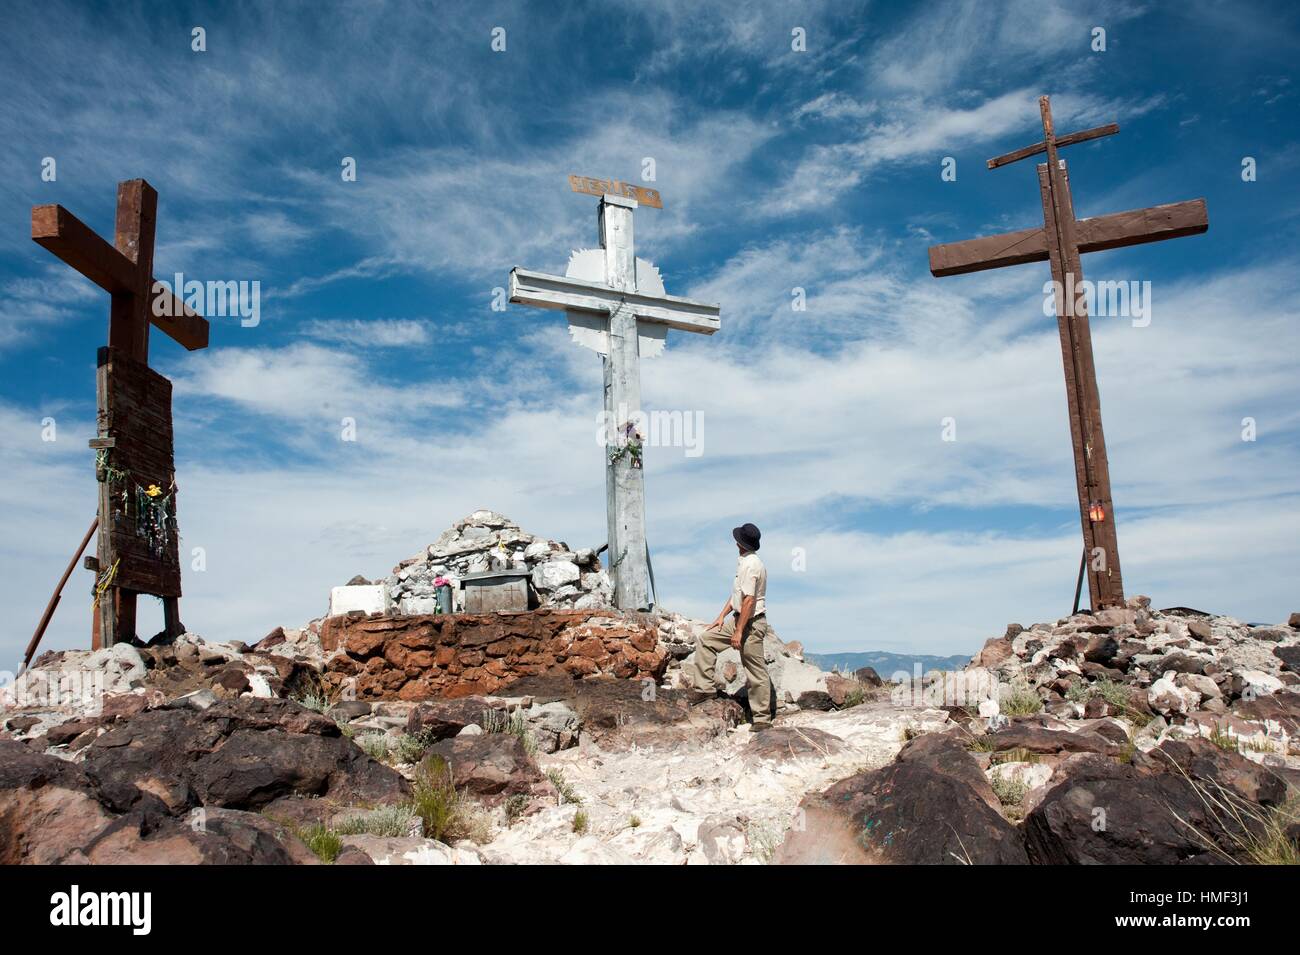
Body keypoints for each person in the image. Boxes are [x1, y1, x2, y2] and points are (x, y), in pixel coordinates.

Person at [685, 522, 773, 729]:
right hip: (738, 618)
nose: (735, 543)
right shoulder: (744, 561)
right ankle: (705, 689)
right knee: (706, 640)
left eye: (737, 540)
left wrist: (739, 631)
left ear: (741, 543)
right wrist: (721, 617)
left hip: (751, 623)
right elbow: (738, 595)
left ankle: (762, 719)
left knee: (755, 670)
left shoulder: (752, 565)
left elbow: (749, 600)